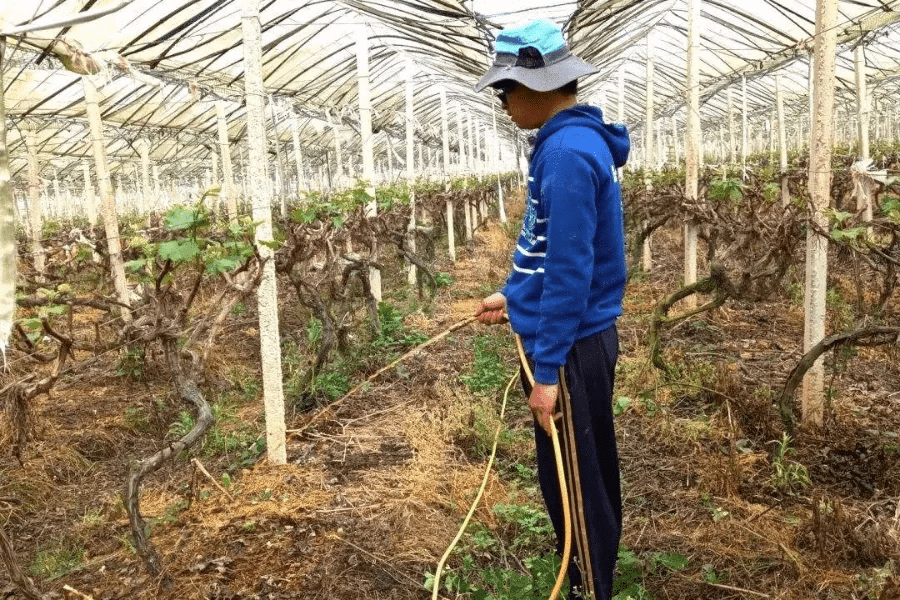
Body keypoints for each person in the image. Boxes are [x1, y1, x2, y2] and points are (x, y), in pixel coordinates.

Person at [473, 19, 630, 600]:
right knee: (573, 468)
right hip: (573, 339)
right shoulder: (568, 145)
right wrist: (513, 296)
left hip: (570, 348)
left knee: (576, 479)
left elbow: (569, 273)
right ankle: (590, 575)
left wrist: (545, 373)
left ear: (534, 87)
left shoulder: (565, 154)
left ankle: (591, 585)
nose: (503, 102)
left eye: (504, 90)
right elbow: (551, 249)